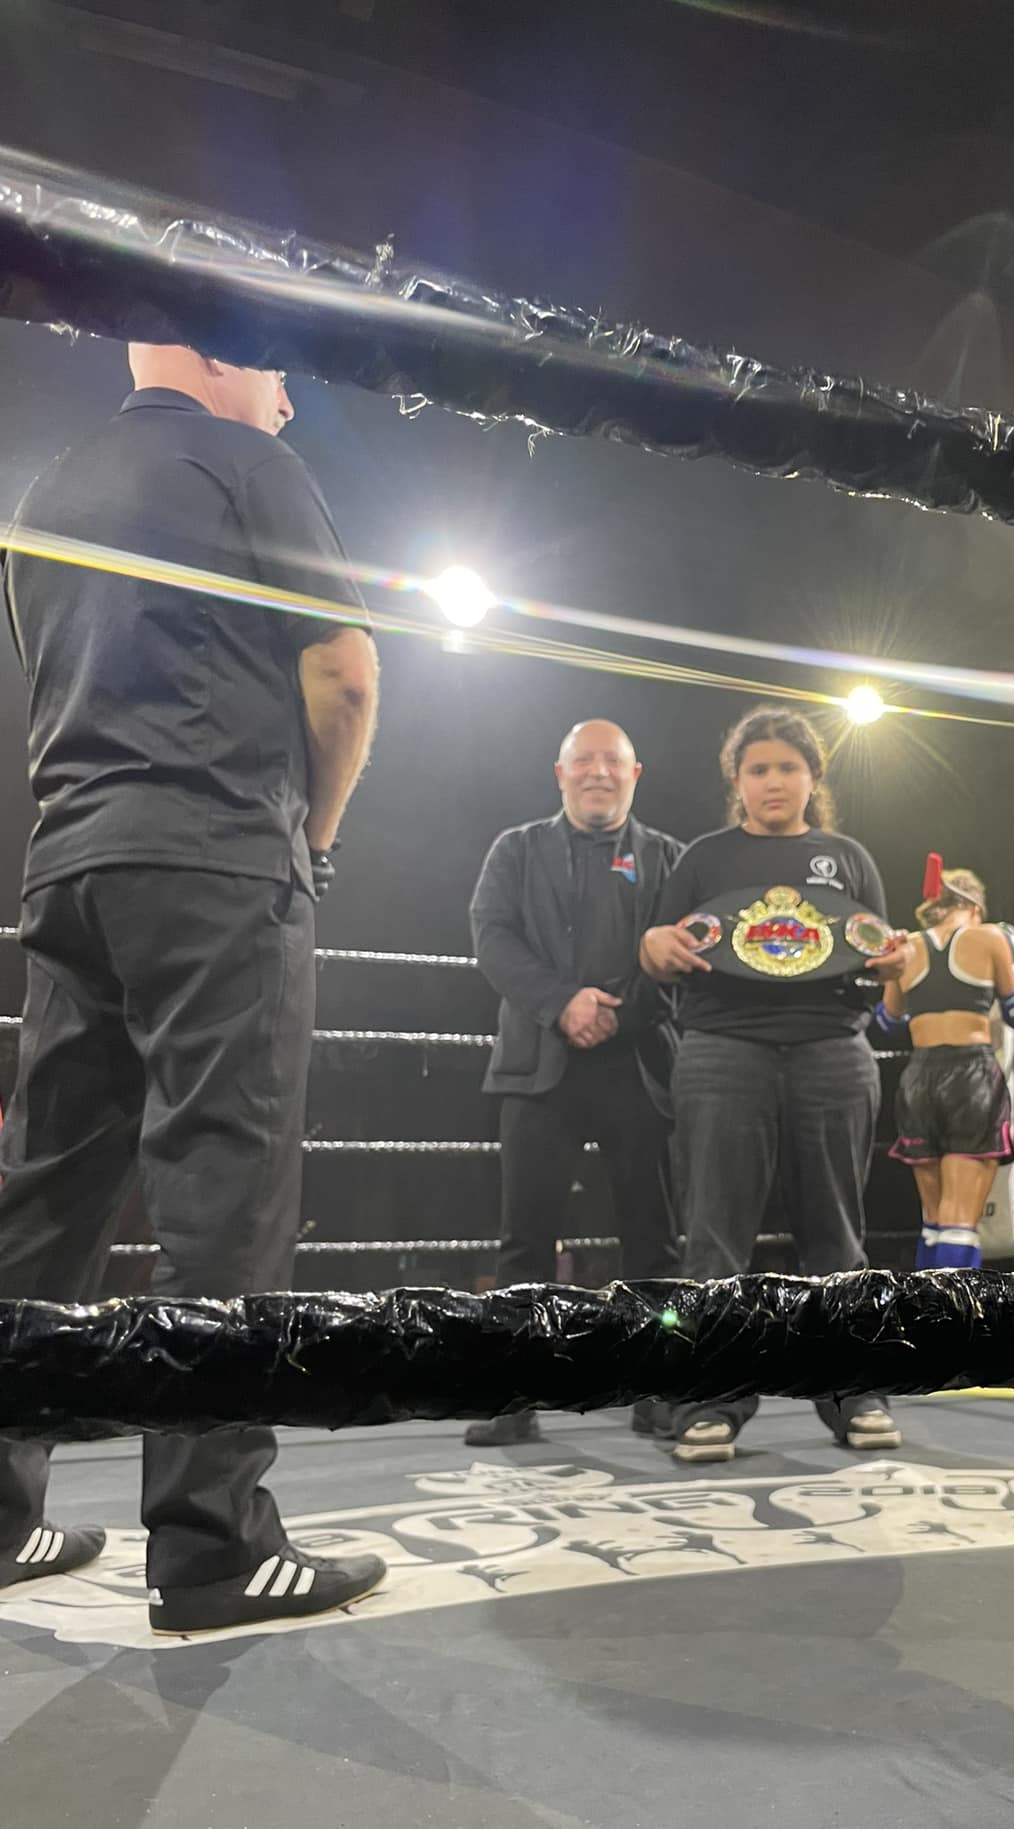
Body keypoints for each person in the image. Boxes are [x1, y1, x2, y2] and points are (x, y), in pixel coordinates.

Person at [0, 343, 386, 1633]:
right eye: (279, 370)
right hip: (214, 852)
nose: (290, 396)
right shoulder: (243, 459)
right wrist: (314, 842)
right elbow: (345, 674)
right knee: (224, 1186)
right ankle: (213, 1545)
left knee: (49, 1192)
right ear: (219, 354)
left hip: (69, 864)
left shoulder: (46, 485)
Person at [639, 705, 906, 1463]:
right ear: (738, 779)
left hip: (831, 1046)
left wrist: (899, 965)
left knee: (837, 1235)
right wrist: (654, 945)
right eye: (758, 769)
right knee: (715, 1236)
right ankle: (710, 1399)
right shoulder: (702, 859)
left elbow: (879, 958)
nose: (774, 781)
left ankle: (855, 1392)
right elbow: (657, 948)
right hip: (722, 1048)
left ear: (814, 776)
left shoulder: (848, 858)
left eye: (788, 767)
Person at [466, 718, 683, 1446]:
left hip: (639, 1065)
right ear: (560, 774)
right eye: (583, 761)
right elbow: (491, 936)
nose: (598, 772)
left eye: (612, 761)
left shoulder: (669, 859)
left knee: (653, 1239)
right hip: (539, 1064)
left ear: (634, 774)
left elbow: (687, 952)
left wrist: (617, 1015)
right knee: (523, 1240)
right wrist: (562, 1002)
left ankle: (661, 1386)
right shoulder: (515, 849)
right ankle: (513, 1390)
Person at [878, 862, 1014, 1270]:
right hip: (970, 1076)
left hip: (918, 1079)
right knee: (960, 1220)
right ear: (975, 907)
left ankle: (924, 1308)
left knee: (933, 1220)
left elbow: (888, 1020)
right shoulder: (990, 937)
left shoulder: (906, 946)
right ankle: (957, 1311)